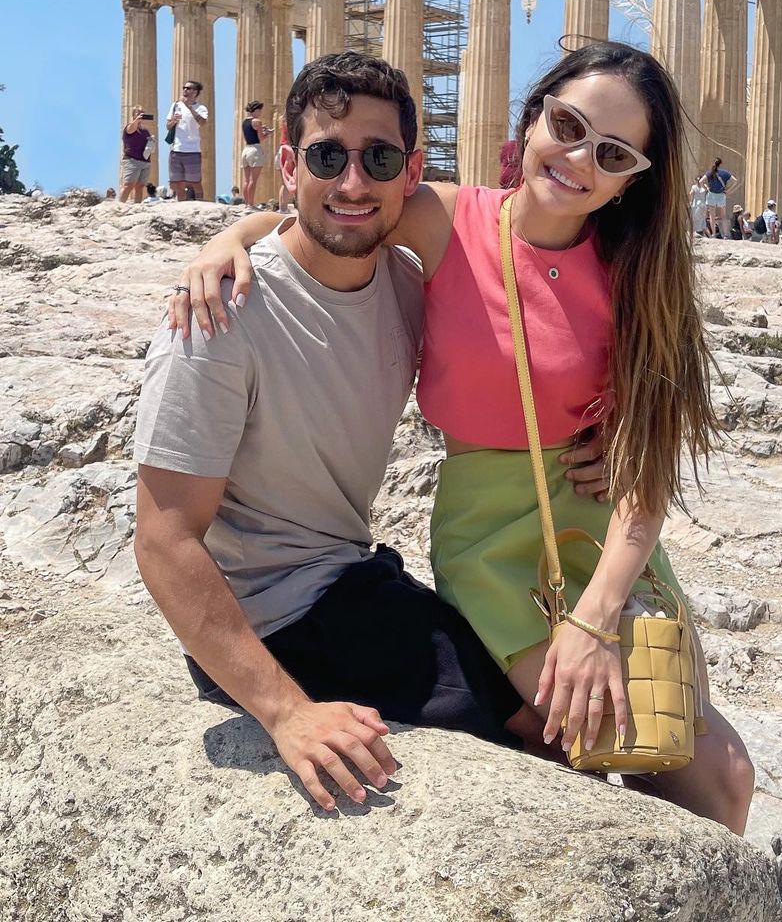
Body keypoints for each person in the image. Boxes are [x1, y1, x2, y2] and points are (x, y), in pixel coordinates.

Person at [170, 43, 756, 833]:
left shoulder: (642, 275)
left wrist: (595, 616)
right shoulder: (446, 220)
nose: (579, 158)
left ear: (632, 180)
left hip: (604, 528)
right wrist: (229, 239)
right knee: (584, 736)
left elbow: (647, 471)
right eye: (569, 126)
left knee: (722, 776)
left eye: (613, 154)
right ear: (534, 116)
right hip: (491, 538)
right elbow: (333, 208)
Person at [140, 53, 615, 815]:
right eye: (327, 157)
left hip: (355, 580)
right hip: (274, 619)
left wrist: (609, 429)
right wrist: (287, 713)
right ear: (289, 166)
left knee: (575, 721)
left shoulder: (405, 282)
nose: (354, 183)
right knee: (550, 737)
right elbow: (163, 540)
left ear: (411, 172)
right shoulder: (219, 316)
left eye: (380, 160)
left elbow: (527, 330)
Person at [167, 81, 209, 200]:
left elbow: (202, 122)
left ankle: (200, 203)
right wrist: (173, 121)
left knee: (195, 182)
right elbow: (168, 126)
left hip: (192, 149)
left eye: (188, 88)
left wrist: (189, 107)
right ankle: (181, 204)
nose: (185, 90)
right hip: (176, 149)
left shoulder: (201, 108)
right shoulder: (175, 105)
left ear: (195, 92)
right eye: (184, 88)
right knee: (178, 183)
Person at [240, 101, 272, 209]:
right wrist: (267, 133)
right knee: (253, 180)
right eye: (260, 110)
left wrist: (261, 130)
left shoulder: (244, 122)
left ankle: (246, 204)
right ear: (256, 110)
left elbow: (250, 134)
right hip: (255, 150)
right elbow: (261, 138)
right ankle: (251, 204)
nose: (261, 113)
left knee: (246, 180)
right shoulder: (257, 121)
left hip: (246, 150)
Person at [120, 106, 154, 203]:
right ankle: (120, 205)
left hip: (145, 161)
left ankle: (137, 205)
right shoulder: (129, 127)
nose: (141, 114)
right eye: (138, 113)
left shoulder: (145, 131)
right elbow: (131, 129)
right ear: (133, 115)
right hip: (132, 160)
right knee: (128, 185)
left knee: (140, 186)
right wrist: (136, 120)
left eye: (142, 112)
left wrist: (151, 141)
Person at [700, 158, 736, 238]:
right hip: (721, 195)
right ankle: (725, 234)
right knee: (723, 216)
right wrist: (729, 190)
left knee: (712, 216)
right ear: (720, 164)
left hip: (711, 195)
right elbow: (735, 181)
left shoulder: (709, 172)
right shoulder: (725, 173)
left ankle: (713, 234)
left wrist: (706, 188)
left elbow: (701, 181)